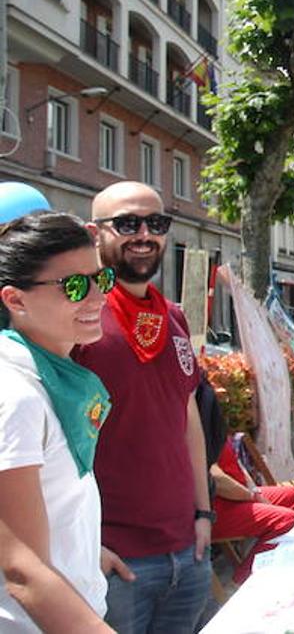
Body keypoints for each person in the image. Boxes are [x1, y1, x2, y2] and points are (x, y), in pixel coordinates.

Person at [74, 181, 213, 631]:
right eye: (127, 223)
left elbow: (186, 416)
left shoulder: (172, 315)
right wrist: (85, 546)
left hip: (186, 550)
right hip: (113, 558)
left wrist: (203, 514)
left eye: (156, 223)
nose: (144, 234)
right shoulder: (77, 315)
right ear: (96, 234)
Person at [0, 212, 118, 628]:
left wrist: (89, 550)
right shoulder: (14, 393)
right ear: (15, 300)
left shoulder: (55, 377)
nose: (96, 298)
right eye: (74, 286)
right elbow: (22, 569)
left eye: (100, 280)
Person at [208, 436, 294, 585]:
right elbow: (216, 480)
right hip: (214, 509)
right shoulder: (194, 425)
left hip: (235, 496)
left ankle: (273, 563)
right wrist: (251, 496)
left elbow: (237, 465)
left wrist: (255, 492)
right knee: (284, 519)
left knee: (290, 495)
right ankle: (243, 580)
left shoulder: (211, 420)